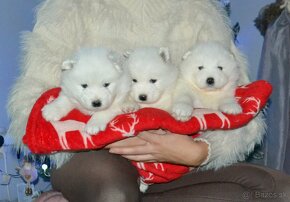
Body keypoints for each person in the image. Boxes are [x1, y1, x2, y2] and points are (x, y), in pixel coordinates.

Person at [9, 1, 288, 201]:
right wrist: (104, 135)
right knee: (113, 191)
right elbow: (28, 105)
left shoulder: (199, 10)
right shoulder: (69, 8)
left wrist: (201, 152)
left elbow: (239, 104)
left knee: (276, 189)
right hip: (95, 158)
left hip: (180, 160)